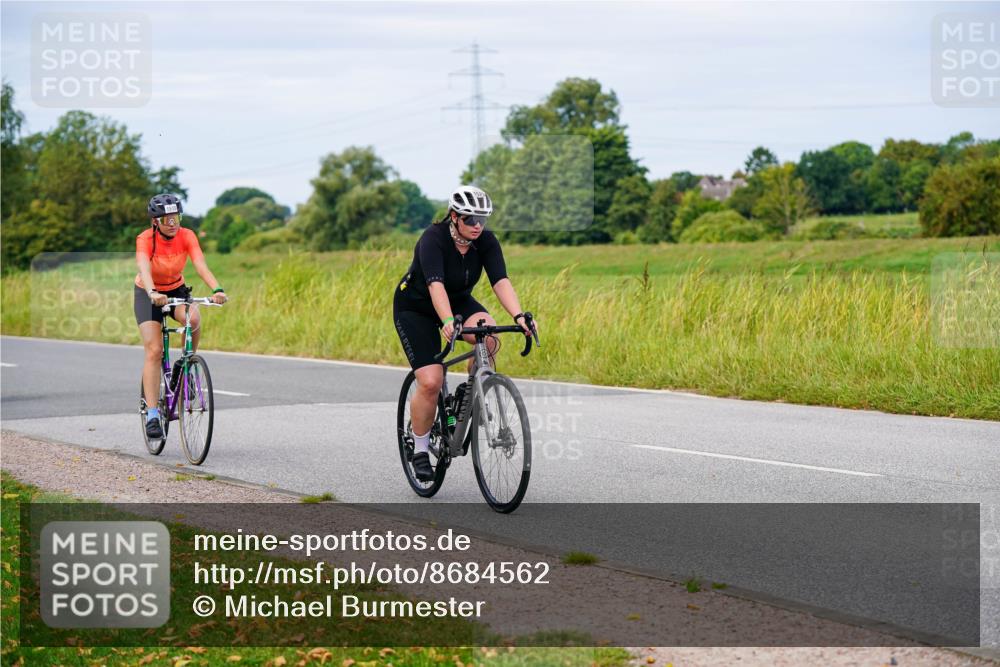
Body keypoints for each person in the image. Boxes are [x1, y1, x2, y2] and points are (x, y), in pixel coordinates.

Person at [393, 185, 536, 481]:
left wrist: (519, 316)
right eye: (471, 219)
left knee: (490, 335)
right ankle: (419, 449)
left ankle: (473, 389)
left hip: (457, 301)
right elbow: (435, 285)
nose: (478, 226)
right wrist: (446, 320)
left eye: (482, 219)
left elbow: (501, 281)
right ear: (455, 216)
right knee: (431, 381)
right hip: (416, 307)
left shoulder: (485, 240)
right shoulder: (433, 239)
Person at [135, 194, 227, 440]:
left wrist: (217, 289)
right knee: (154, 351)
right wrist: (153, 291)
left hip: (176, 289)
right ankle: (153, 414)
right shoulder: (145, 239)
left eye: (176, 217)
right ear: (155, 222)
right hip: (149, 293)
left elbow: (200, 265)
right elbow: (143, 265)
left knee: (194, 319)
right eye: (167, 219)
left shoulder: (187, 236)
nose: (173, 223)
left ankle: (186, 363)